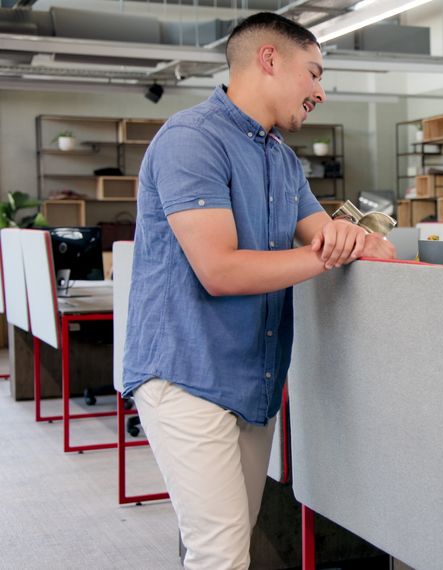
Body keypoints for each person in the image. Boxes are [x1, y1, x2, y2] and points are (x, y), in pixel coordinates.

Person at [122, 13, 395, 569]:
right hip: (186, 374)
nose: (320, 91)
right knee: (219, 554)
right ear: (269, 60)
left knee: (229, 545)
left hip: (254, 378)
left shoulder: (282, 159)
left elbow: (355, 243)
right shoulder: (191, 141)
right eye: (314, 74)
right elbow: (219, 271)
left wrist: (356, 239)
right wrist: (331, 249)